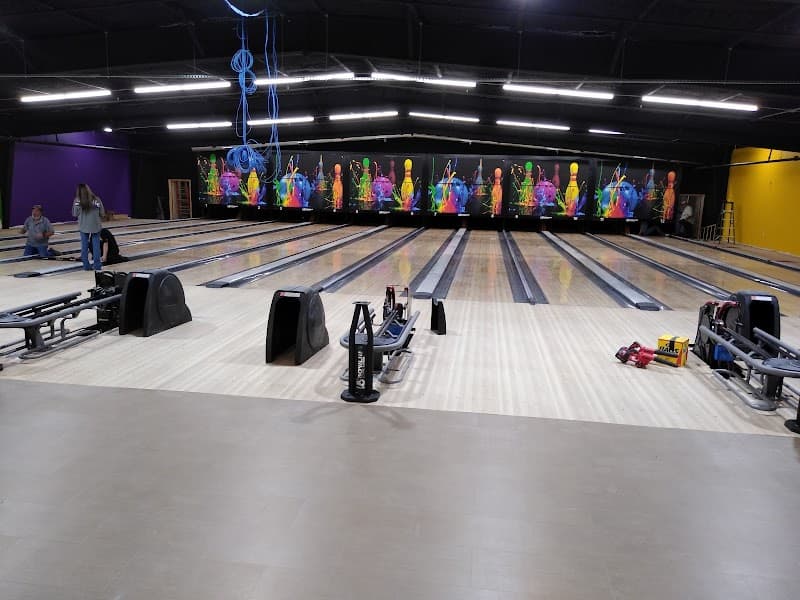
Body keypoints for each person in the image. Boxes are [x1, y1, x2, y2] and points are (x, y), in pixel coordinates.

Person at [72, 183, 105, 270]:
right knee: (96, 247)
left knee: (84, 246)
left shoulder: (77, 201)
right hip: (96, 226)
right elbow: (102, 213)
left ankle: (86, 266)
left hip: (83, 226)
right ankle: (97, 266)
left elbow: (75, 214)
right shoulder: (97, 199)